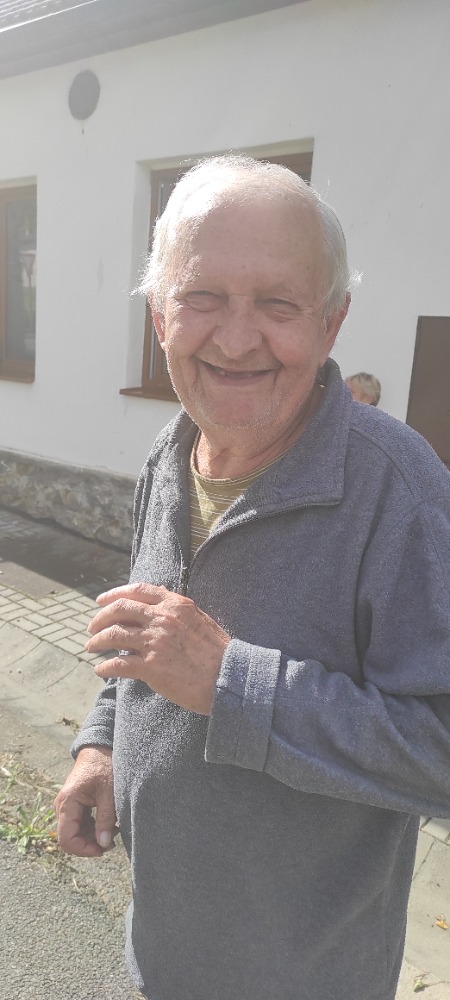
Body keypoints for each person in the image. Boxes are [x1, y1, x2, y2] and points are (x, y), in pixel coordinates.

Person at [55, 155, 450, 1000]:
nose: (235, 340)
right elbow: (147, 645)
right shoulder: (170, 452)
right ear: (160, 315)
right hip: (163, 956)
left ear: (332, 324)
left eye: (278, 304)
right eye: (202, 297)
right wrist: (100, 746)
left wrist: (231, 683)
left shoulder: (401, 494)